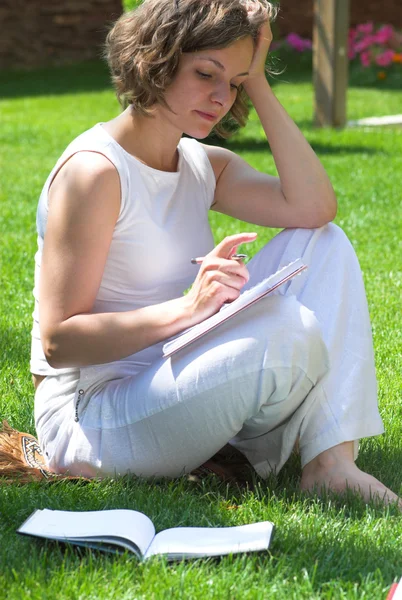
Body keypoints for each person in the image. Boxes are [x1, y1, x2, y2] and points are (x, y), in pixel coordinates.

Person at [31, 0, 400, 507]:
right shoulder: (95, 174)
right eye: (207, 73)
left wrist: (259, 79)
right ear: (154, 60)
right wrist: (191, 308)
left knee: (323, 243)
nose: (221, 96)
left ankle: (331, 464)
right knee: (285, 329)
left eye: (234, 83)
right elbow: (59, 342)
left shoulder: (200, 165)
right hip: (92, 417)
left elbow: (315, 207)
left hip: (167, 374)